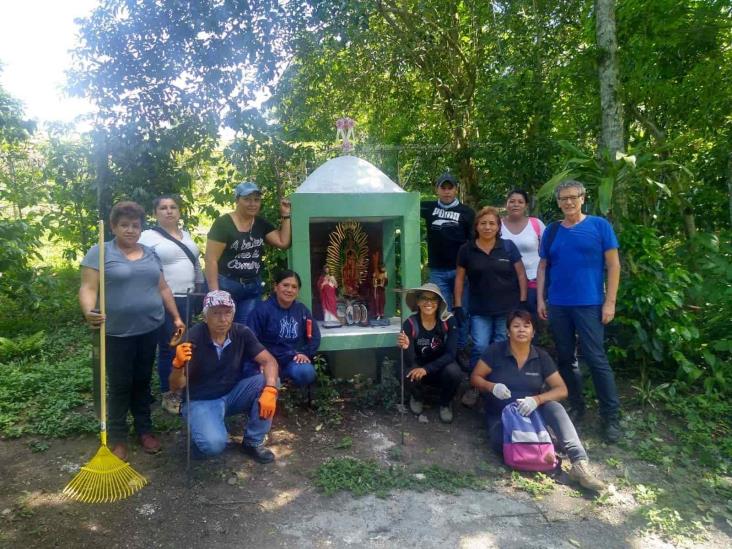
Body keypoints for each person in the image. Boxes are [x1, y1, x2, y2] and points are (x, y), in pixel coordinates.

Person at [79, 201, 185, 461]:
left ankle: (144, 430)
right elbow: (88, 288)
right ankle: (117, 436)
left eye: (135, 225)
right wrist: (88, 310)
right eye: (124, 225)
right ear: (114, 227)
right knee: (119, 385)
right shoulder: (100, 252)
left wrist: (177, 317)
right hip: (116, 332)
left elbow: (162, 288)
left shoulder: (150, 253)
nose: (130, 230)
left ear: (141, 228)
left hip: (149, 328)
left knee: (142, 382)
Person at [470, 310, 605, 491]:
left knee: (555, 407)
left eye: (526, 326)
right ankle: (544, 450)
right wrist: (492, 386)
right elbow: (475, 378)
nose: (521, 330)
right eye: (516, 326)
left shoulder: (541, 356)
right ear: (508, 331)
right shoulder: (496, 351)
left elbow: (561, 389)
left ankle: (580, 464)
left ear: (533, 332)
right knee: (499, 443)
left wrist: (537, 399)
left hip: (533, 413)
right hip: (502, 415)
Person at [537, 180, 622, 443]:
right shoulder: (551, 231)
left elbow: (614, 265)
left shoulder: (599, 226)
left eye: (573, 197)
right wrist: (541, 299)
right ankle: (576, 405)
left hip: (590, 303)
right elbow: (543, 267)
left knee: (596, 358)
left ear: (583, 198)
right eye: (563, 198)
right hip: (559, 304)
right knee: (565, 358)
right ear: (558, 202)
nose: (568, 202)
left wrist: (610, 302)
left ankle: (611, 417)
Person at [170, 290, 279, 463]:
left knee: (269, 380)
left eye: (227, 313)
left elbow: (269, 361)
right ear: (206, 317)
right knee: (214, 445)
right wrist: (177, 365)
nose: (223, 319)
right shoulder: (193, 337)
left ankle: (252, 442)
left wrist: (271, 389)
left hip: (231, 394)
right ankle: (204, 430)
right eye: (216, 313)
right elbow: (177, 385)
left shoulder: (241, 332)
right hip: (201, 399)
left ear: (233, 314)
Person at [139, 195, 204, 414]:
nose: (169, 211)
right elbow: (140, 264)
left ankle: (180, 385)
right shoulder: (146, 237)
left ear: (179, 211)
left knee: (183, 345)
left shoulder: (186, 235)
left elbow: (195, 263)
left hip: (188, 297)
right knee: (170, 346)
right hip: (163, 298)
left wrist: (200, 288)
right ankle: (170, 394)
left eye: (173, 207)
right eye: (163, 208)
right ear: (155, 213)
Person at [205, 182, 292, 324]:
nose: (252, 204)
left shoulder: (260, 224)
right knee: (224, 326)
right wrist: (215, 294)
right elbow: (210, 259)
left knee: (247, 330)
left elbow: (283, 242)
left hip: (252, 286)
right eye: (247, 199)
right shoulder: (223, 224)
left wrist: (286, 215)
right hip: (227, 285)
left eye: (256, 200)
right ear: (237, 200)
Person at [420, 172, 475, 368]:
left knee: (463, 312)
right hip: (437, 271)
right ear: (437, 189)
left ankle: (460, 350)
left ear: (456, 189)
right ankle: (444, 349)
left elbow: (473, 242)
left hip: (461, 271)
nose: (446, 191)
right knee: (443, 312)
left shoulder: (467, 213)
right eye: (443, 187)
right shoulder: (427, 208)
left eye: (450, 187)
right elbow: (404, 206)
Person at [396, 283, 462, 423]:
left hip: (440, 368)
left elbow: (451, 354)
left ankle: (445, 403)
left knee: (454, 372)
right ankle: (417, 396)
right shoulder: (410, 323)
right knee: (403, 370)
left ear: (439, 303)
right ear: (418, 301)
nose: (428, 303)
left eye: (433, 299)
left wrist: (426, 369)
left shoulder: (448, 321)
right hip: (418, 368)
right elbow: (409, 360)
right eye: (424, 298)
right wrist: (406, 347)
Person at [246, 270, 320, 387]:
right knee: (260, 379)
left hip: (292, 360)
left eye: (294, 287)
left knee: (306, 372)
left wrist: (305, 353)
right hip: (268, 361)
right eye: (285, 285)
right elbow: (250, 340)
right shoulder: (261, 310)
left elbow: (315, 336)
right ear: (276, 287)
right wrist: (260, 361)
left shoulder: (302, 310)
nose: (289, 290)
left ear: (298, 291)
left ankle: (293, 391)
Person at [501, 189, 545, 326]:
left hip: (533, 281)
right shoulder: (497, 225)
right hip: (505, 282)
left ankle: (532, 347)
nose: (516, 205)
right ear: (506, 204)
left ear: (526, 205)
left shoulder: (536, 224)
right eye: (512, 201)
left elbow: (547, 251)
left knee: (529, 321)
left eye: (520, 202)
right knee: (508, 322)